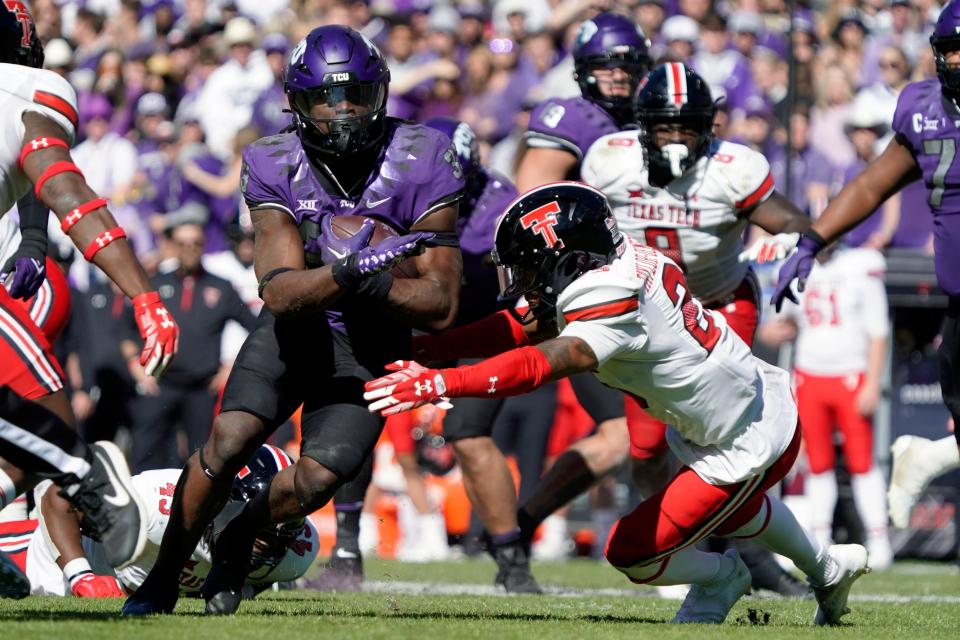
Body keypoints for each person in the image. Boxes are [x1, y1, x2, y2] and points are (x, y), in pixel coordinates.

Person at [364, 182, 870, 625]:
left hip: (747, 436)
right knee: (733, 514)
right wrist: (426, 351)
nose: (522, 281)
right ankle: (827, 567)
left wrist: (441, 383)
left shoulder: (610, 293)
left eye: (530, 268)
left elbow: (541, 363)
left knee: (632, 553)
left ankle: (723, 576)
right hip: (730, 410)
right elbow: (518, 327)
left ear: (568, 260)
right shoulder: (615, 258)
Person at [122, 25, 462, 617]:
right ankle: (164, 573)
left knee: (320, 479)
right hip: (296, 328)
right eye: (325, 99)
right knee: (227, 441)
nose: (342, 112)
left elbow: (441, 306)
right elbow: (279, 293)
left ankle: (235, 540)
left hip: (371, 342)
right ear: (296, 104)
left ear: (379, 94)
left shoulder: (424, 155)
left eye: (354, 94)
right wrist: (354, 270)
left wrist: (375, 281)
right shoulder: (272, 158)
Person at [512, 62, 810, 596]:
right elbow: (572, 219)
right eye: (666, 127)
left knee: (719, 432)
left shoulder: (732, 168)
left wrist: (782, 243)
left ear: (708, 129)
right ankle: (682, 543)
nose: (676, 138)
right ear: (642, 125)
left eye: (688, 127)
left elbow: (792, 221)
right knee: (647, 448)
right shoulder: (610, 160)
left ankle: (734, 551)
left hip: (720, 305)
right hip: (647, 311)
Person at [0, 1, 179, 588]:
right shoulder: (30, 89)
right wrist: (144, 295)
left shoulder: (21, 92)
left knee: (35, 409)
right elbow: (64, 186)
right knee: (41, 410)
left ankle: (76, 478)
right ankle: (82, 474)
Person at [772, 0, 960, 531]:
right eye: (954, 51)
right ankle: (933, 455)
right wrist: (811, 241)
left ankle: (932, 456)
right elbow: (872, 184)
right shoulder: (923, 111)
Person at [27, 445, 317, 598]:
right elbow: (56, 495)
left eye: (279, 537)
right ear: (219, 504)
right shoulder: (157, 503)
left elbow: (265, 569)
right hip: (53, 559)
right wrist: (82, 577)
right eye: (258, 533)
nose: (265, 548)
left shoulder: (297, 553)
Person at [762, 244, 894, 569]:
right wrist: (774, 330)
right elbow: (780, 324)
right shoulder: (798, 269)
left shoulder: (860, 267)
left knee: (861, 460)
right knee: (816, 462)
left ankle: (878, 539)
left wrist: (872, 382)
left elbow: (879, 331)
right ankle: (820, 536)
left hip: (851, 373)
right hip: (809, 374)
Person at [123, 222, 258, 473]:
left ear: (203, 246)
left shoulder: (221, 287)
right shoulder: (154, 284)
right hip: (159, 384)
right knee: (145, 452)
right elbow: (126, 326)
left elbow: (255, 327)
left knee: (200, 460)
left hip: (201, 388)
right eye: (183, 243)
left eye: (196, 243)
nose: (190, 249)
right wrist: (134, 364)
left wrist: (231, 366)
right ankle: (144, 507)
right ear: (174, 246)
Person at [516, 12, 650, 191]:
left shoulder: (649, 118)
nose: (619, 76)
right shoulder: (570, 119)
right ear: (584, 69)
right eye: (606, 66)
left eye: (628, 66)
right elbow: (533, 203)